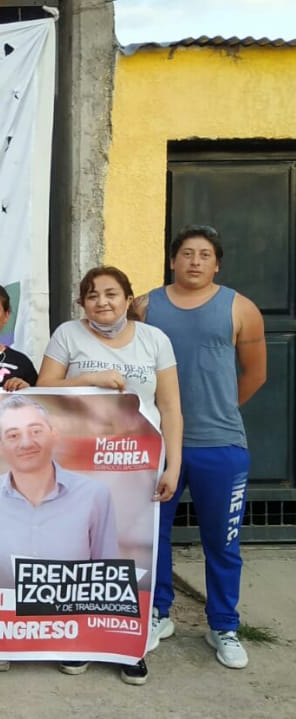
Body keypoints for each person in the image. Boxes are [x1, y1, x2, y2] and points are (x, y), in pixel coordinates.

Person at [37, 266, 182, 696]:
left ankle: (127, 642)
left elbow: (170, 408)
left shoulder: (154, 340)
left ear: (127, 298)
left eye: (112, 294)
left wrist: (173, 465)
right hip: (80, 458)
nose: (103, 302)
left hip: (138, 460)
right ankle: (80, 636)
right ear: (82, 303)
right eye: (93, 295)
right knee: (80, 541)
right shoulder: (68, 334)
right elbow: (45, 388)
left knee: (131, 545)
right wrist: (90, 380)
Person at [137, 225, 266, 670]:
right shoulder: (145, 306)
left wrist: (218, 412)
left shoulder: (240, 308)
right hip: (157, 443)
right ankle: (157, 613)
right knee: (153, 537)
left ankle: (224, 625)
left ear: (217, 264)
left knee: (222, 541)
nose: (194, 261)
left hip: (221, 445)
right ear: (172, 261)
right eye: (186, 253)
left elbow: (254, 373)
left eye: (204, 254)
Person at [0, 395, 139, 678]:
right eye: (13, 434)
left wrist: (104, 637)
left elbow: (106, 566)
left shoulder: (94, 495)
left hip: (71, 626)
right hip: (1, 627)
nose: (26, 442)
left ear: (53, 435)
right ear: (1, 446)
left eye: (36, 431)